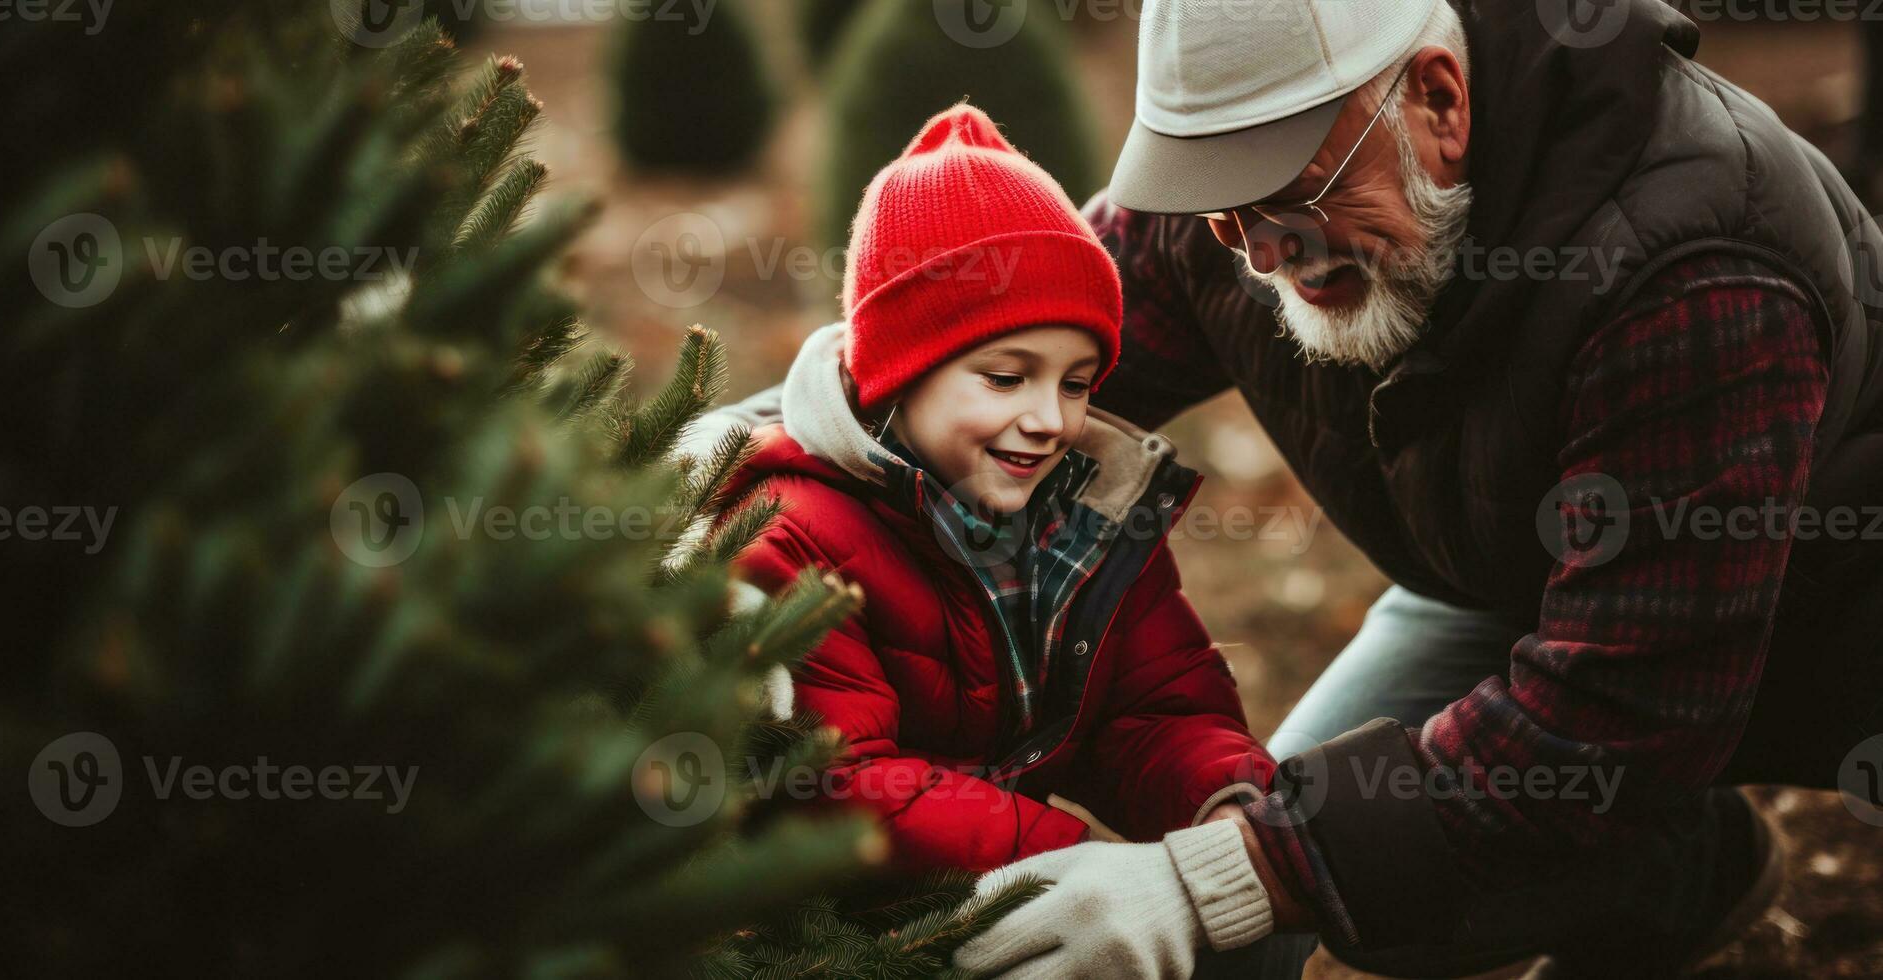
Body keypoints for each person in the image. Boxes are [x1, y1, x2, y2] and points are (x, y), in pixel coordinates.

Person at [696, 1, 1883, 976]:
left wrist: (1211, 874)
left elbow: (1626, 710)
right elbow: (965, 352)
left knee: (1341, 866)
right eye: (1219, 206)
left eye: (1285, 196)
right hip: (1501, 575)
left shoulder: (1694, 263)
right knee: (1348, 888)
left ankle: (1661, 859)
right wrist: (735, 452)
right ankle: (1672, 868)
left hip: (1799, 617)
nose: (1257, 253)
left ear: (1437, 101)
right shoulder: (1231, 224)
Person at [719, 103, 1279, 887]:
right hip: (865, 929)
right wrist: (1082, 867)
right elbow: (840, 783)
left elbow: (1152, 710)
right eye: (1007, 378)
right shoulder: (794, 538)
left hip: (1017, 876)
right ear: (901, 370)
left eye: (1077, 384)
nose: (1050, 420)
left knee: (1254, 907)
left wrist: (1226, 805)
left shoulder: (1083, 515)